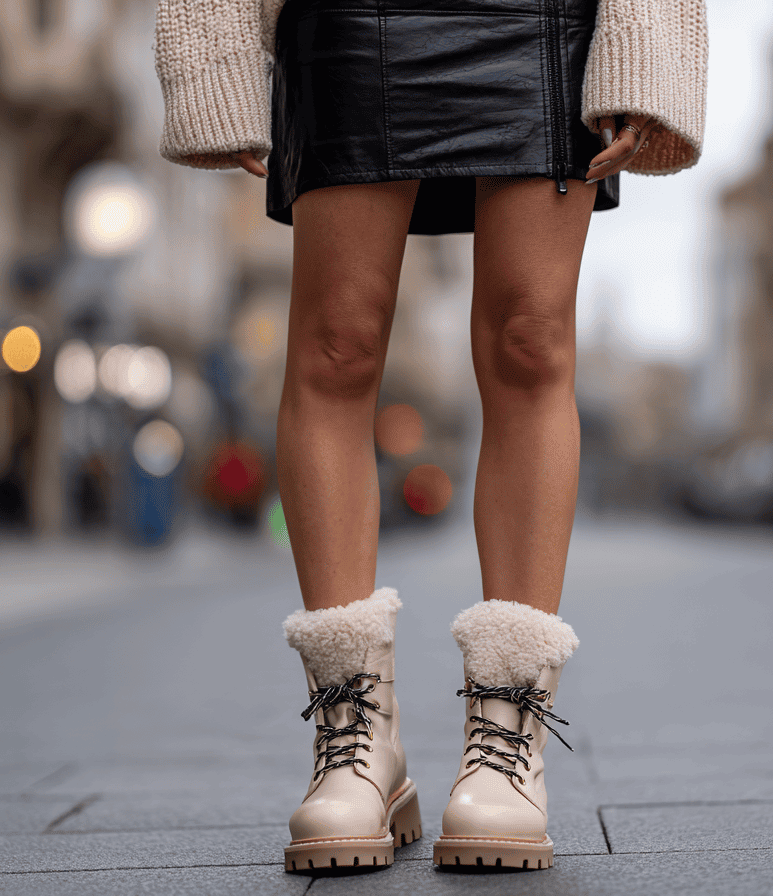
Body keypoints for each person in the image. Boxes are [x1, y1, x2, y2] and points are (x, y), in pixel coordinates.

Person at [154, 0, 707, 873]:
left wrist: (648, 37)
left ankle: (507, 735)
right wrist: (214, 39)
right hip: (350, 20)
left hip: (541, 20)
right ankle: (355, 737)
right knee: (337, 346)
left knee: (531, 344)